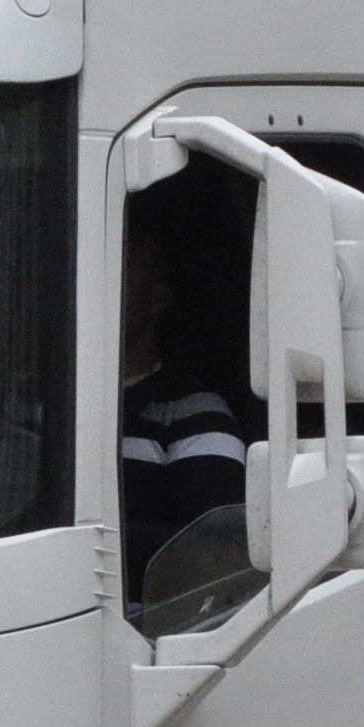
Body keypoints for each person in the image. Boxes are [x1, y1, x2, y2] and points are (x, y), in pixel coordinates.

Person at [118, 209, 251, 599]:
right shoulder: (45, 409)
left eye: (119, 272)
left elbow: (210, 554)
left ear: (156, 299)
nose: (97, 286)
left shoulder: (196, 414)